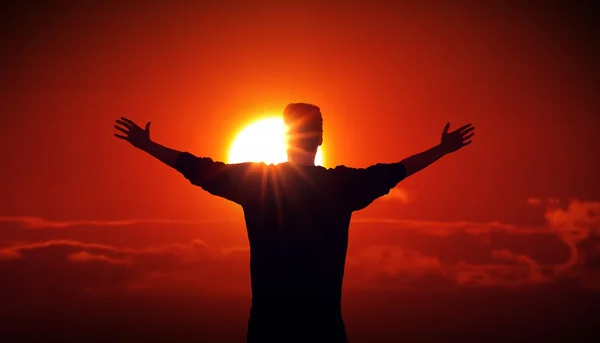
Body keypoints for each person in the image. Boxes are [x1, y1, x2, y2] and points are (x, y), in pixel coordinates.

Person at [114, 103, 474, 342]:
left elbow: (193, 166)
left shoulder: (256, 184)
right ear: (320, 139)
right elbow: (398, 170)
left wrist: (147, 145)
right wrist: (442, 149)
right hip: (324, 327)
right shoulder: (342, 186)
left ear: (284, 138)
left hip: (269, 327)